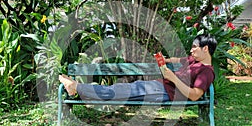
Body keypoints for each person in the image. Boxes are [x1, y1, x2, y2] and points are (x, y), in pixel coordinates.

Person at [59, 34, 217, 102]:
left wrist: (173, 78)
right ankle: (76, 88)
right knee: (120, 88)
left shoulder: (206, 71)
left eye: (195, 47)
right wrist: (165, 60)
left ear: (206, 49)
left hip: (163, 92)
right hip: (158, 86)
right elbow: (179, 59)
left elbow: (195, 95)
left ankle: (76, 87)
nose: (191, 50)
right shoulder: (194, 60)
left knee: (117, 92)